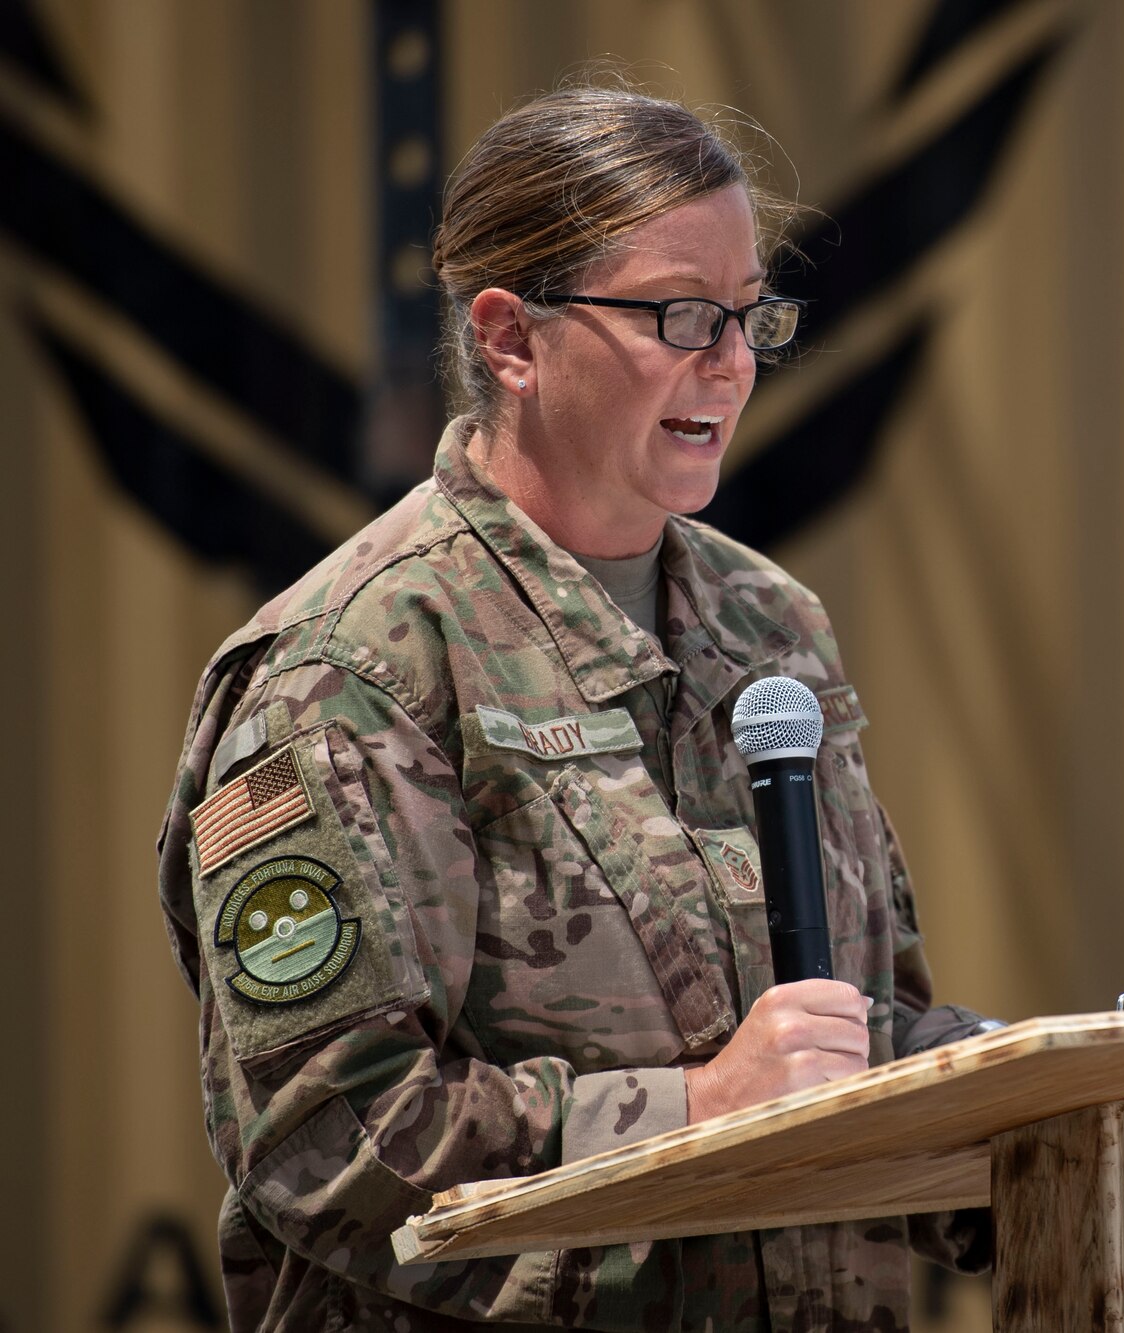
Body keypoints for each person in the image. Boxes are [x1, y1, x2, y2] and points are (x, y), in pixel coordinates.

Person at [156, 85, 992, 1332]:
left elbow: (848, 1039)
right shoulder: (354, 665)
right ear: (509, 339)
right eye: (679, 315)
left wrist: (1048, 1095)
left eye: (751, 313)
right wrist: (702, 1110)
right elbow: (331, 1139)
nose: (733, 360)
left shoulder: (769, 623)